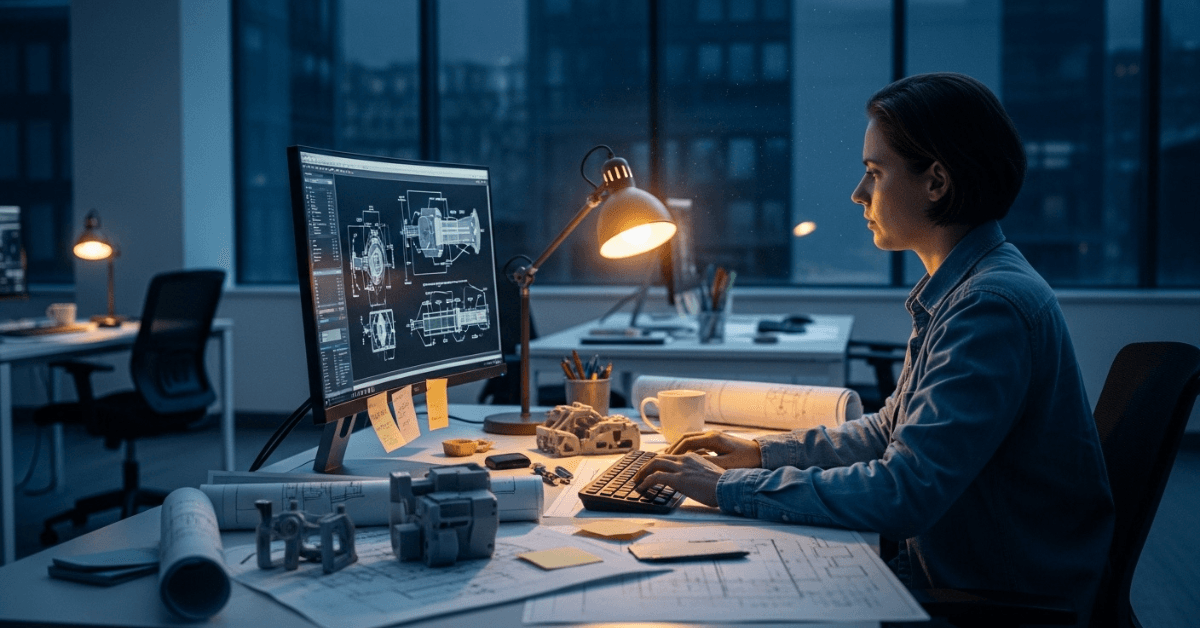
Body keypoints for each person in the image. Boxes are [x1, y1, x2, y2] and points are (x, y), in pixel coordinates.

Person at [632, 72, 1114, 624]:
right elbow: (890, 431)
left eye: (874, 172)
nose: (859, 193)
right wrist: (761, 454)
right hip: (963, 574)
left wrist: (727, 488)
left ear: (936, 182)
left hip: (997, 601)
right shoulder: (966, 287)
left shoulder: (989, 306)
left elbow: (905, 492)